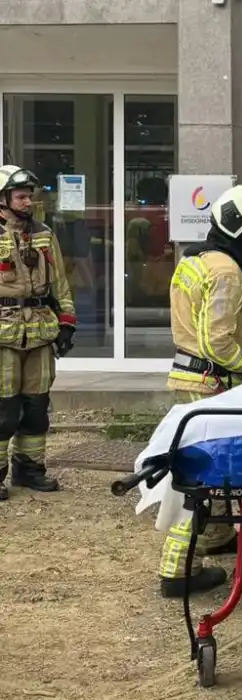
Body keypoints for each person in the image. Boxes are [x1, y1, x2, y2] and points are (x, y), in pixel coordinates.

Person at [159, 184, 242, 597]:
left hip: (189, 376)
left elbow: (205, 321)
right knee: (202, 476)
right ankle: (178, 570)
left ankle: (218, 539)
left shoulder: (197, 260)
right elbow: (217, 343)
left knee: (205, 467)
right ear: (237, 228)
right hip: (210, 382)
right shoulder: (229, 271)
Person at [0, 166, 75, 501]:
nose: (28, 201)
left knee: (36, 408)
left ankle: (29, 469)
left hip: (41, 332)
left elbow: (59, 282)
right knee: (3, 411)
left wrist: (67, 322)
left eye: (30, 195)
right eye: (21, 196)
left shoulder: (43, 233)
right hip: (3, 335)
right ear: (3, 199)